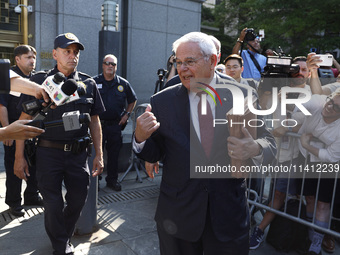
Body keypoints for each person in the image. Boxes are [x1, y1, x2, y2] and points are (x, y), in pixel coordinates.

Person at [133, 32, 276, 255]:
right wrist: (140, 138)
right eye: (179, 62)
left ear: (213, 60)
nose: (182, 68)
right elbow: (155, 153)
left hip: (228, 218)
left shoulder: (243, 94)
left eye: (189, 61)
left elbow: (270, 143)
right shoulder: (162, 101)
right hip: (177, 219)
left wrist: (254, 147)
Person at [14, 33, 105, 255]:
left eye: (76, 52)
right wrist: (19, 157)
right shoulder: (38, 82)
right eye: (67, 51)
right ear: (55, 54)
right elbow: (23, 121)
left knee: (78, 200)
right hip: (48, 153)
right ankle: (61, 245)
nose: (73, 56)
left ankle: (61, 235)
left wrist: (99, 154)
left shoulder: (89, 83)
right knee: (53, 204)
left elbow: (95, 121)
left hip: (77, 154)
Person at [249, 56, 311, 249]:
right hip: (271, 151)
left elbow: (304, 122)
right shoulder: (280, 89)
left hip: (292, 157)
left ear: (309, 74)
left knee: (278, 194)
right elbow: (263, 105)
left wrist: (287, 126)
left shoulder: (311, 94)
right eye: (296, 69)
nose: (299, 73)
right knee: (270, 191)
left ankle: (259, 230)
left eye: (304, 70)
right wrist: (269, 82)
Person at [293, 90, 340, 255]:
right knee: (310, 198)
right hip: (306, 159)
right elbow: (301, 104)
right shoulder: (319, 101)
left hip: (328, 165)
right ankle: (311, 234)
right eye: (331, 101)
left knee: (323, 203)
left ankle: (316, 244)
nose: (329, 107)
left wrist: (307, 144)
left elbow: (331, 156)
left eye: (336, 108)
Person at [0, 45, 43, 217]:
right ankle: (14, 202)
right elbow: (1, 105)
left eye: (34, 57)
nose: (32, 61)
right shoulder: (8, 77)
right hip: (14, 130)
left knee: (34, 165)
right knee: (14, 167)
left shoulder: (36, 78)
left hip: (32, 131)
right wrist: (6, 130)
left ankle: (32, 195)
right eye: (28, 57)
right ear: (17, 59)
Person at [93, 54, 137, 191]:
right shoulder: (94, 82)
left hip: (115, 126)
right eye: (107, 63)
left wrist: (127, 114)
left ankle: (112, 180)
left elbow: (132, 100)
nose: (110, 66)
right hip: (97, 125)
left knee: (114, 155)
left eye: (113, 64)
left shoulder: (123, 83)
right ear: (103, 65)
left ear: (116, 67)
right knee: (96, 153)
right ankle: (95, 181)